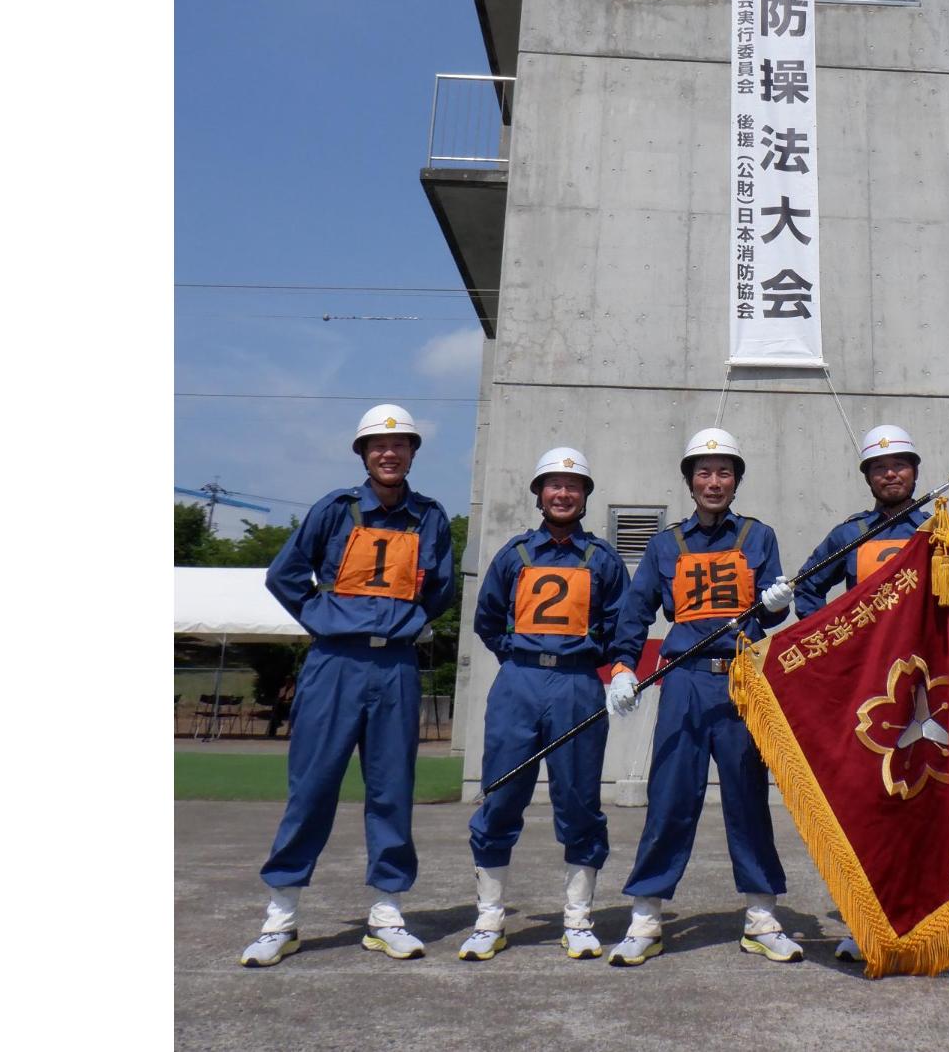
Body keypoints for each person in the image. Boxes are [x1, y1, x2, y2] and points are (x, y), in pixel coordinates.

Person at [239, 404, 455, 967]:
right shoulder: (334, 510)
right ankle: (281, 917)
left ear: (412, 453)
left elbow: (441, 590)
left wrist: (396, 624)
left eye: (401, 444)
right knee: (311, 788)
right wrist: (326, 616)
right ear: (363, 454)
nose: (390, 453)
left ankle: (386, 913)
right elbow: (283, 574)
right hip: (334, 663)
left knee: (391, 790)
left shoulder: (430, 518)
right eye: (378, 446)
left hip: (397, 669)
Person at [795, 423, 949, 967]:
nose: (891, 474)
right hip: (871, 700)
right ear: (868, 477)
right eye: (880, 468)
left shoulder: (938, 533)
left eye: (900, 465)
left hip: (931, 695)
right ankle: (869, 922)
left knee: (940, 811)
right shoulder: (847, 537)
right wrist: (838, 646)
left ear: (915, 472)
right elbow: (808, 588)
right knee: (875, 812)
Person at [604, 428, 801, 965]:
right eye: (704, 472)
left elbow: (773, 612)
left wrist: (779, 604)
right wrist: (623, 667)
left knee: (747, 798)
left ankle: (761, 915)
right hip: (684, 680)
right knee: (671, 798)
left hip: (742, 679)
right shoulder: (665, 543)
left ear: (737, 480)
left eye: (725, 472)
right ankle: (646, 915)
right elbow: (636, 608)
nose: (714, 482)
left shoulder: (760, 536)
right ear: (690, 481)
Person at [458, 447, 631, 962]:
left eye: (573, 486)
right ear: (538, 493)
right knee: (503, 796)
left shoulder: (603, 558)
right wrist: (519, 658)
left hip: (578, 686)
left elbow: (623, 629)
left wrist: (618, 669)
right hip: (518, 683)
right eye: (553, 484)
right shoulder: (513, 554)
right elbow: (487, 620)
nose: (563, 493)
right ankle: (489, 918)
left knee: (578, 801)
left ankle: (577, 918)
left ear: (585, 496)